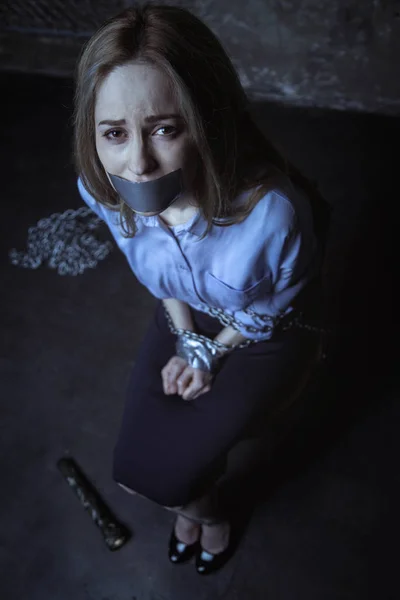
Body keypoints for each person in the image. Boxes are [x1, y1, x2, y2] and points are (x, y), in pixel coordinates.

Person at [73, 2, 330, 575]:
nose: (136, 163)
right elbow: (157, 276)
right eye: (114, 132)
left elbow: (273, 310)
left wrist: (213, 352)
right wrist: (187, 336)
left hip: (265, 334)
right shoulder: (104, 185)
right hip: (186, 318)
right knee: (140, 473)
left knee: (172, 474)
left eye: (164, 128)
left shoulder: (274, 216)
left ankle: (207, 515)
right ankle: (204, 510)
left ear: (207, 119)